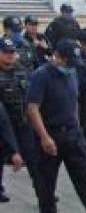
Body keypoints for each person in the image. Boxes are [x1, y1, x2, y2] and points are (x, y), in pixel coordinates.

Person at [26, 39, 86, 213]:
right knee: (47, 181)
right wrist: (44, 137)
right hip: (50, 135)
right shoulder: (40, 76)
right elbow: (32, 109)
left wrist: (76, 126)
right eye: (68, 62)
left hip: (72, 134)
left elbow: (74, 101)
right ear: (57, 57)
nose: (71, 67)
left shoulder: (72, 72)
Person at [0, 38, 42, 204]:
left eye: (12, 52)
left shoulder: (21, 70)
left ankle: (43, 193)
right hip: (2, 126)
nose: (10, 56)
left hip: (22, 123)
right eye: (6, 52)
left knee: (33, 160)